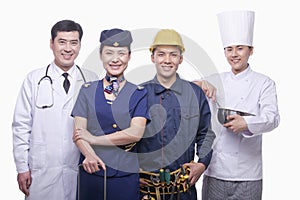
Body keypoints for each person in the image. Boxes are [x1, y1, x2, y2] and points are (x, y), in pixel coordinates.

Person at [196, 10, 280, 200]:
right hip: (215, 169)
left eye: (240, 48)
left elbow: (272, 118)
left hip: (249, 173)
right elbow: (183, 89)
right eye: (229, 49)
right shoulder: (214, 79)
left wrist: (247, 123)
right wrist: (199, 83)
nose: (234, 54)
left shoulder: (264, 83)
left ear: (251, 50)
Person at [12, 19, 99, 200]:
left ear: (80, 46)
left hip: (80, 169)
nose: (68, 48)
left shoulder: (91, 79)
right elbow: (21, 126)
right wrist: (22, 167)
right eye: (62, 42)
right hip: (42, 169)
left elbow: (98, 124)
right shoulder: (34, 79)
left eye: (73, 43)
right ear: (51, 44)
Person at [136, 29, 216, 200]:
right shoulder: (138, 94)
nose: (167, 60)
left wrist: (202, 163)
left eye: (173, 55)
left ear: (180, 59)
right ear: (153, 58)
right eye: (161, 54)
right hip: (145, 192)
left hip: (183, 190)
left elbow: (205, 134)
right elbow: (127, 139)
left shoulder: (195, 94)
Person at [72, 28, 149, 200]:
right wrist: (89, 154)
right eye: (109, 53)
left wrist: (94, 139)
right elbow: (78, 133)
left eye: (121, 53)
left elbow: (135, 134)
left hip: (125, 175)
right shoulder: (87, 90)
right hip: (92, 171)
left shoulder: (138, 93)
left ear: (129, 56)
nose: (115, 59)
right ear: (101, 55)